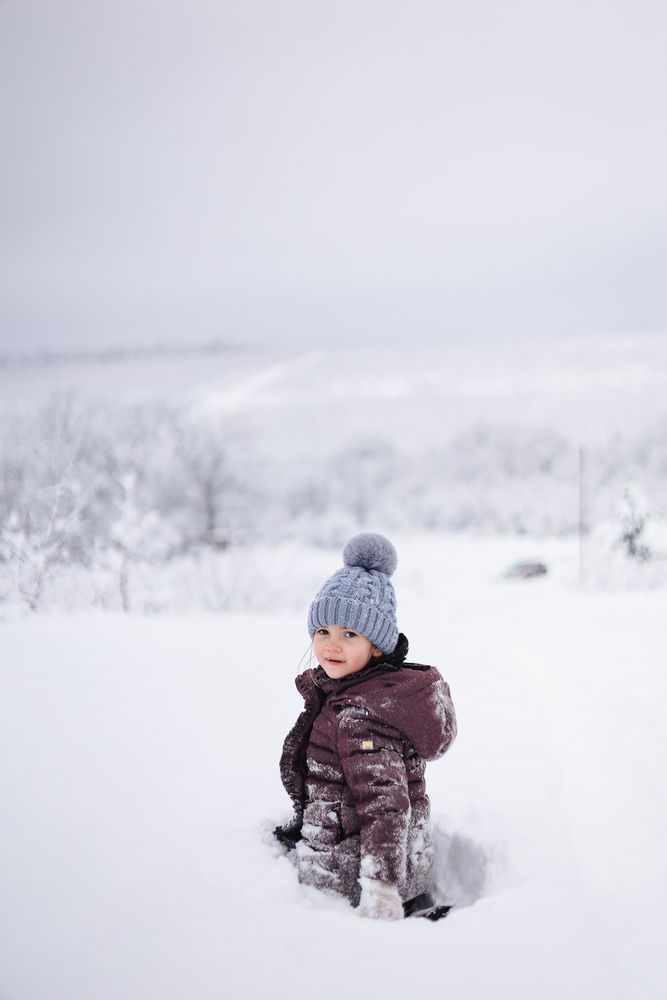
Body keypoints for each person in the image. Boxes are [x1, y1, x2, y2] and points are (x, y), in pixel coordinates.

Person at [274, 532, 457, 920]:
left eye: (349, 634)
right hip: (347, 860)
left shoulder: (363, 716)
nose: (330, 646)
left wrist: (380, 887)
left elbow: (386, 805)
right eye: (322, 631)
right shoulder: (348, 693)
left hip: (355, 884)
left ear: (377, 646)